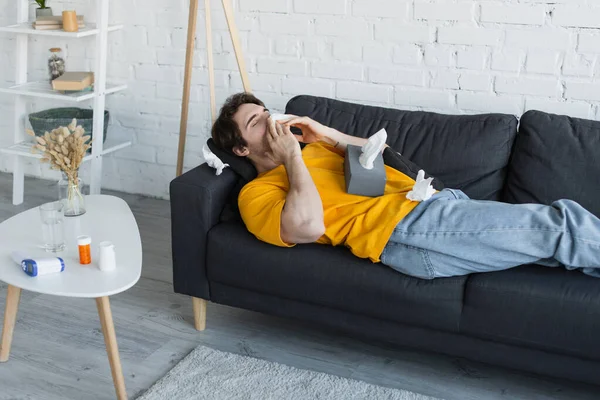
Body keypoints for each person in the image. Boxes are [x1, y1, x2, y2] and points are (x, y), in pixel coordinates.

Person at [211, 92, 600, 280]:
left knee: (559, 250)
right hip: (407, 228)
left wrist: (325, 134)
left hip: (432, 207)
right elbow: (306, 227)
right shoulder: (256, 193)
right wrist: (292, 157)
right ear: (242, 148)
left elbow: (379, 154)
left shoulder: (314, 148)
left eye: (266, 112)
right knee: (560, 224)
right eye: (256, 123)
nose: (272, 121)